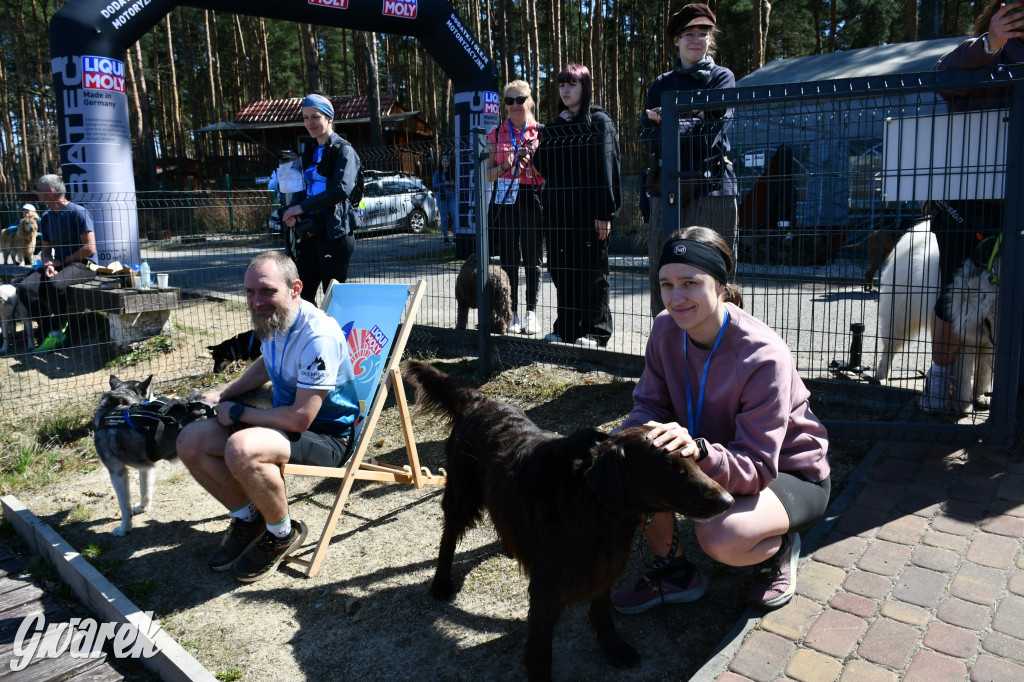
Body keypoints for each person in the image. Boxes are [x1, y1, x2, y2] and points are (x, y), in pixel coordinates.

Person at [610, 226, 830, 613]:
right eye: (666, 284)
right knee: (632, 464)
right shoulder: (665, 328)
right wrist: (620, 440)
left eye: (690, 283)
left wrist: (697, 451)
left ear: (721, 286)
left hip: (787, 472)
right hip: (715, 456)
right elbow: (649, 407)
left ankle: (780, 544)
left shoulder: (764, 356)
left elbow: (759, 466)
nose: (676, 298)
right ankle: (674, 570)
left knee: (721, 535)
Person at [176, 251, 360, 583]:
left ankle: (281, 534)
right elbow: (266, 363)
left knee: (241, 447)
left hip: (328, 437)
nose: (256, 301)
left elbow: (300, 420)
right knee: (190, 441)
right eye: (250, 292)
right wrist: (224, 394)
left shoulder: (318, 336)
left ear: (295, 289)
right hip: (286, 427)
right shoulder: (277, 321)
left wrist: (238, 411)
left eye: (267, 291)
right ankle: (250, 519)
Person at [922, 1, 1024, 414]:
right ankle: (941, 377)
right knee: (954, 293)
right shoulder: (977, 50)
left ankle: (1007, 390)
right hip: (963, 199)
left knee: (1011, 299)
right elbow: (942, 80)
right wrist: (992, 42)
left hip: (1015, 202)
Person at [640, 3, 738, 317]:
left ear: (711, 38)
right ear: (677, 40)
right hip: (667, 191)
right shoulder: (661, 85)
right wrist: (687, 121)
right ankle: (664, 348)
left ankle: (720, 348)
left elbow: (710, 136)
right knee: (665, 270)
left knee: (714, 270)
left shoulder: (722, 79)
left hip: (713, 189)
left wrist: (667, 121)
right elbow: (646, 139)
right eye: (689, 34)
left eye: (703, 34)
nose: (696, 40)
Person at [533, 64, 621, 348]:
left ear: (585, 87)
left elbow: (607, 169)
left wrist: (605, 213)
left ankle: (596, 332)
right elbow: (541, 165)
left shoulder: (598, 121)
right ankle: (567, 329)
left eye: (572, 84)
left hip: (589, 215)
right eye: (561, 85)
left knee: (592, 272)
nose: (566, 90)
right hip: (559, 214)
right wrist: (557, 127)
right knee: (562, 270)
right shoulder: (557, 125)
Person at [282, 94, 361, 303]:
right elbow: (301, 187)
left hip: (335, 233)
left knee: (333, 299)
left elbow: (341, 190)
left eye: (315, 117)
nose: (310, 123)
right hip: (310, 232)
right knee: (301, 296)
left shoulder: (345, 151)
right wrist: (293, 211)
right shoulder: (308, 153)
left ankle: (336, 336)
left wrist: (302, 207)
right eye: (306, 118)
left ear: (329, 118)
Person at [485, 80, 544, 336]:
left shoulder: (542, 131)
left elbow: (552, 171)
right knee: (508, 259)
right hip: (504, 199)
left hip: (532, 196)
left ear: (530, 101)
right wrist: (505, 166)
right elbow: (487, 174)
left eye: (520, 99)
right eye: (509, 101)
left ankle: (531, 312)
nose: (515, 105)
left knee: (532, 258)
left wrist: (534, 164)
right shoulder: (496, 134)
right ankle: (513, 313)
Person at [16, 175, 97, 353]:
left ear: (51, 193)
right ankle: (51, 331)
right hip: (60, 264)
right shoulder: (46, 217)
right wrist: (48, 264)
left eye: (39, 190)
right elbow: (45, 250)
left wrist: (64, 261)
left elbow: (90, 249)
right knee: (24, 288)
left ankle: (58, 334)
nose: (37, 194)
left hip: (84, 265)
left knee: (54, 284)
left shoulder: (78, 212)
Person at [432, 156, 457, 245]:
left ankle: (455, 236)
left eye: (446, 161)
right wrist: (444, 184)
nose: (445, 163)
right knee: (443, 216)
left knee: (455, 215)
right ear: (441, 163)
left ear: (449, 162)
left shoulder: (453, 172)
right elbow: (434, 186)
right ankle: (445, 237)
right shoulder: (438, 173)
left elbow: (458, 183)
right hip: (442, 195)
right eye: (443, 161)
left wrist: (453, 184)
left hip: (451, 194)